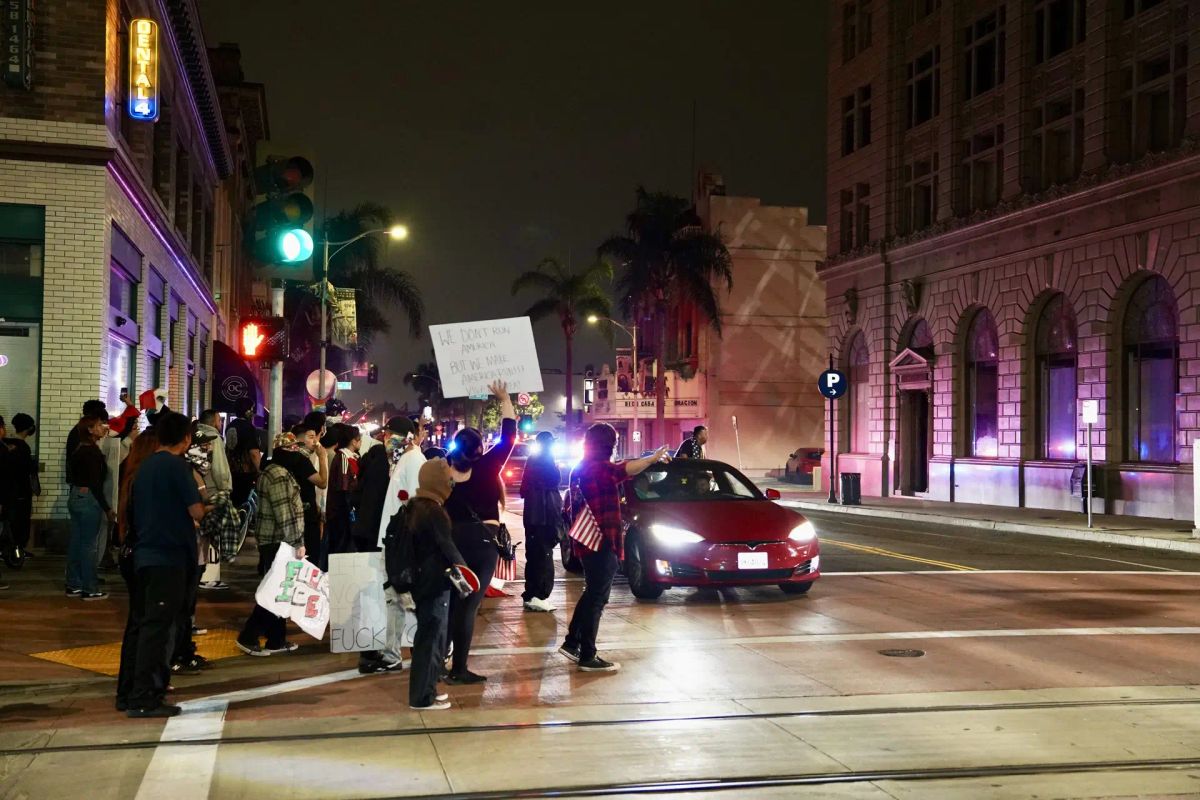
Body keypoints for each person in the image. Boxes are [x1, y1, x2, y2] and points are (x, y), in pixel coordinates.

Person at [561, 425, 669, 672]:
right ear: (606, 443)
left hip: (587, 541)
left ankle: (572, 642)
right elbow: (624, 469)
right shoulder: (599, 468)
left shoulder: (581, 467)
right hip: (602, 541)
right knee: (597, 598)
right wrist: (652, 458)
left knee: (592, 593)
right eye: (615, 440)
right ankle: (588, 655)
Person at [125, 412, 205, 717]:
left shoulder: (145, 466)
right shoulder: (176, 466)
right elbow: (197, 511)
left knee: (147, 626)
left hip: (146, 556)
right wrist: (213, 506)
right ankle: (144, 697)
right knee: (159, 629)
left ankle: (136, 692)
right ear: (185, 439)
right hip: (168, 558)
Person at [443, 380, 516, 685]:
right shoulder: (488, 466)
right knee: (469, 606)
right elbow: (510, 434)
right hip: (483, 541)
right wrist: (504, 398)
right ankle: (459, 668)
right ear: (479, 448)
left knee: (451, 601)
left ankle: (438, 660)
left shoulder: (444, 468)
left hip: (452, 541)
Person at [236, 432, 305, 657]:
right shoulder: (279, 475)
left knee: (280, 592)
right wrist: (297, 543)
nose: (297, 453)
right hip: (279, 541)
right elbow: (284, 512)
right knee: (276, 592)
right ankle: (249, 636)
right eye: (293, 449)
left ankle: (276, 639)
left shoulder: (272, 471)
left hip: (275, 540)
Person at [408, 458, 465, 711]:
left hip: (419, 582)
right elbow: (448, 549)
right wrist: (465, 574)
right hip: (435, 584)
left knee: (426, 638)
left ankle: (427, 691)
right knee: (432, 639)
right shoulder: (435, 511)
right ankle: (423, 698)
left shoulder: (413, 506)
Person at [115, 428, 160, 712]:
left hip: (130, 555)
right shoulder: (144, 482)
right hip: (144, 558)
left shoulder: (131, 478)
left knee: (136, 623)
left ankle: (127, 687)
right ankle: (137, 689)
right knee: (146, 624)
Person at [66, 416, 116, 600]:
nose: (103, 428)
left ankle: (74, 584)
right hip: (89, 499)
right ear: (90, 430)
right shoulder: (92, 453)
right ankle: (90, 587)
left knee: (77, 542)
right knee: (89, 545)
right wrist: (107, 508)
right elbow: (95, 484)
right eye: (99, 425)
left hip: (76, 496)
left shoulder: (79, 449)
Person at [519, 431, 562, 612]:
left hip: (531, 517)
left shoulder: (532, 460)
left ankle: (531, 594)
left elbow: (523, 490)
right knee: (544, 557)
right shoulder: (547, 460)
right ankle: (539, 595)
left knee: (533, 555)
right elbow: (555, 480)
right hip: (543, 517)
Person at [323, 423, 362, 562]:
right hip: (341, 511)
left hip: (344, 510)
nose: (361, 442)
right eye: (359, 439)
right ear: (353, 441)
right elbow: (343, 485)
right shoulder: (343, 457)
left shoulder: (352, 457)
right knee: (340, 546)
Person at [4, 413, 39, 558]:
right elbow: (27, 469)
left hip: (8, 489)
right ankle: (18, 551)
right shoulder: (23, 447)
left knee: (11, 521)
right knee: (21, 522)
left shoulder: (6, 443)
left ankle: (10, 550)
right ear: (28, 428)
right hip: (21, 491)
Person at [227, 399, 262, 508]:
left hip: (231, 471)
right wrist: (261, 471)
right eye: (252, 409)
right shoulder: (248, 427)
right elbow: (254, 453)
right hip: (246, 473)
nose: (253, 412)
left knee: (235, 503)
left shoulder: (230, 425)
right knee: (245, 504)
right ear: (247, 411)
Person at [65, 400, 108, 485]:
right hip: (84, 487)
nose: (104, 427)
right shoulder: (83, 442)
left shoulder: (80, 432)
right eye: (100, 424)